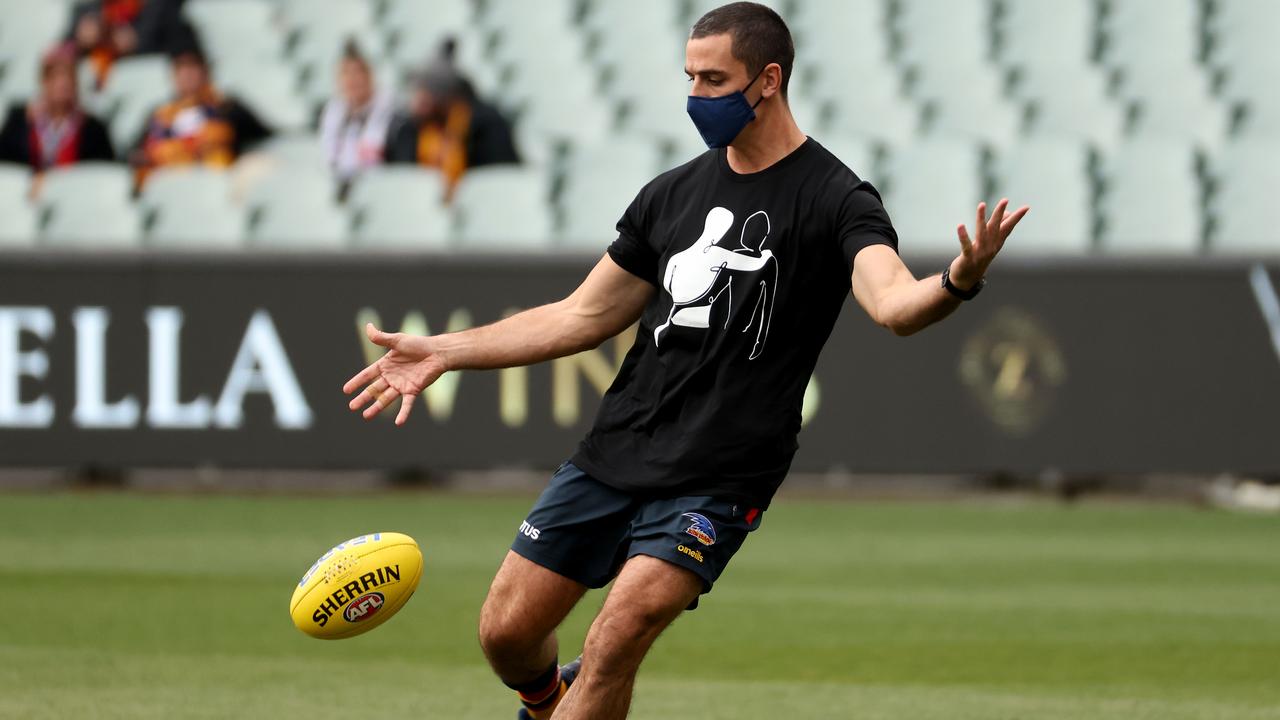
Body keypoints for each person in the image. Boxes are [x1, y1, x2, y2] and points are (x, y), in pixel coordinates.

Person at [344, 4, 1029, 718]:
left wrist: (957, 281)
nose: (696, 96)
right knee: (507, 634)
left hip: (721, 474)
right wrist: (444, 352)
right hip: (620, 445)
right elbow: (583, 314)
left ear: (768, 80)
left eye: (713, 79)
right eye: (690, 78)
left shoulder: (835, 196)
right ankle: (548, 702)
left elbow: (892, 305)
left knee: (617, 637)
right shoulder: (672, 194)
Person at [384, 40, 520, 199]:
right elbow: (403, 175)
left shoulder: (486, 126)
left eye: (426, 96)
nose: (418, 103)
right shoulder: (411, 130)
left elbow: (498, 177)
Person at [131, 42, 269, 189]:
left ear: (206, 72)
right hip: (172, 186)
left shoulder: (227, 108)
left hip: (219, 184)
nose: (187, 74)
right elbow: (134, 153)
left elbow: (263, 138)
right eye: (180, 68)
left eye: (193, 67)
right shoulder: (158, 115)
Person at [0, 45, 115, 181]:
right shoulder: (20, 120)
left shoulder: (92, 128)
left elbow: (101, 172)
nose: (63, 86)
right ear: (44, 82)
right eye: (55, 79)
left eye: (69, 79)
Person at [318, 40, 393, 196]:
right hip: (340, 186)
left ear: (370, 74)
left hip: (377, 189)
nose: (352, 79)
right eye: (346, 72)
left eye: (358, 71)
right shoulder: (333, 111)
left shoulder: (390, 111)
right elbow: (328, 158)